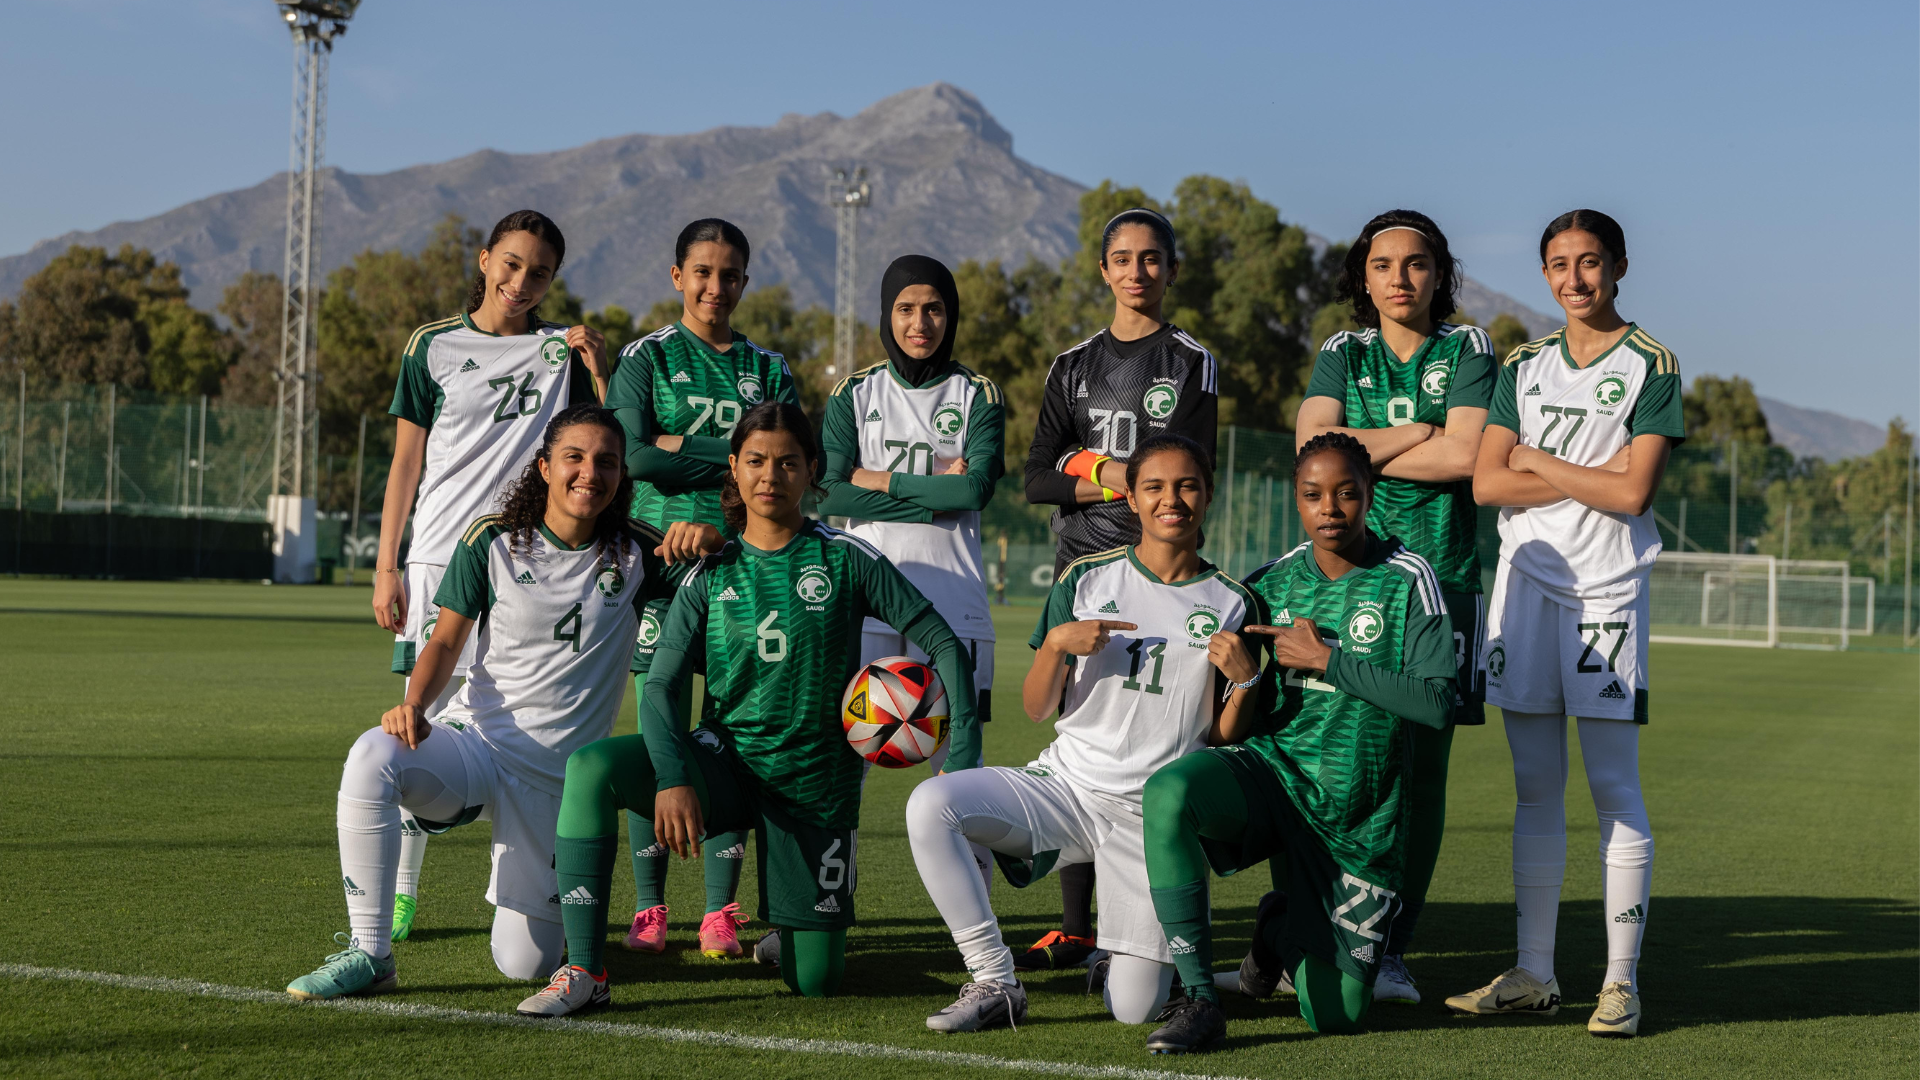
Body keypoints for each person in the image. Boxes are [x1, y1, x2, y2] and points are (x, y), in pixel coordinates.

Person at [519, 402, 981, 1017]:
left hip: (816, 782)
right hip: (725, 763)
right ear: (733, 469)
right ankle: (584, 970)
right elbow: (659, 687)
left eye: (789, 463)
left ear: (813, 471)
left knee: (816, 981)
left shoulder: (847, 558)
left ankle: (788, 936)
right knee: (592, 769)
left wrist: (964, 759)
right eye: (757, 461)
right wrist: (674, 777)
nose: (771, 476)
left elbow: (943, 642)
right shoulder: (709, 572)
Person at [286, 405, 668, 1001]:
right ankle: (370, 954)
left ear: (622, 477)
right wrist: (413, 703)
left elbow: (730, 570)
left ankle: (449, 821)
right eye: (573, 457)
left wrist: (708, 539)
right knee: (373, 755)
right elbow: (443, 640)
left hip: (559, 785)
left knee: (523, 962)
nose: (589, 472)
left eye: (606, 462)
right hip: (479, 743)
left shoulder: (641, 553)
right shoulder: (492, 540)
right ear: (544, 467)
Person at [908, 434, 1262, 1033]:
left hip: (1151, 819)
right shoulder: (1086, 578)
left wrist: (1246, 681)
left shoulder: (1233, 600)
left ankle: (1116, 958)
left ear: (1208, 495)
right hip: (1066, 787)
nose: (1170, 499)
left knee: (1133, 1009)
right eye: (1153, 486)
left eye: (1186, 486)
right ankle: (995, 979)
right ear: (1130, 496)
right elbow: (1037, 707)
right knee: (931, 804)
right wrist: (1052, 646)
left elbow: (1223, 736)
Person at [1139, 432, 1457, 1053]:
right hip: (1276, 780)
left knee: (1338, 1015)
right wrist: (1243, 677)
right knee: (1171, 791)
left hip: (1359, 822)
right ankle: (1200, 998)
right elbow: (1227, 690)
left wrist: (1328, 660)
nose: (1330, 509)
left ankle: (1277, 933)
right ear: (1297, 501)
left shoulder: (1409, 578)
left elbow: (1438, 705)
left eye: (1345, 494)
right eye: (1314, 495)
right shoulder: (1268, 585)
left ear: (1370, 496)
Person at [1448, 210, 1681, 1039]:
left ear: (1619, 266)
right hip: (1524, 590)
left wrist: (1537, 462)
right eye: (1557, 264)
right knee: (1534, 792)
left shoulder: (1651, 364)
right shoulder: (1524, 365)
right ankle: (1535, 973)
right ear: (1545, 273)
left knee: (1615, 790)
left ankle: (1620, 984)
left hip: (1607, 594)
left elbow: (1632, 495)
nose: (1573, 279)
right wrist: (1583, 469)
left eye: (1588, 263)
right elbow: (1484, 484)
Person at [367, 210, 608, 943]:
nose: (521, 281)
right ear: (483, 259)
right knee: (418, 728)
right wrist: (387, 565)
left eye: (539, 272)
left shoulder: (559, 351)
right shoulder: (433, 347)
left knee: (508, 721)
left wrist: (600, 366)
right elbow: (406, 462)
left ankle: (514, 880)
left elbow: (598, 440)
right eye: (510, 263)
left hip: (519, 568)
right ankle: (401, 893)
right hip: (440, 560)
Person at [1289, 209, 1494, 1003]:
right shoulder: (1343, 352)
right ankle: (1309, 931)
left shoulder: (1467, 348)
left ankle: (1393, 950)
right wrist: (1418, 431)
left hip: (1440, 587)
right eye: (1383, 266)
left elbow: (1470, 455)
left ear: (1439, 274)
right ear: (1362, 278)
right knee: (1331, 762)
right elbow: (1316, 455)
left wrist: (1362, 449)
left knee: (1419, 775)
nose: (1400, 279)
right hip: (1347, 580)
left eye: (1416, 265)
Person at [1020, 208, 1219, 972]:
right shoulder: (1072, 364)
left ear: (1170, 270)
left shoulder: (1190, 360)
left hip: (1163, 576)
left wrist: (1114, 478)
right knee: (1083, 742)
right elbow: (1037, 474)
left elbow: (1188, 472)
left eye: (1152, 260)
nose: (1137, 272)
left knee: (1155, 749)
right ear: (1103, 269)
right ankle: (1075, 925)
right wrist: (1097, 471)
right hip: (1084, 577)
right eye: (1123, 260)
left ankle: (1140, 927)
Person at [605, 218, 800, 960]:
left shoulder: (768, 367)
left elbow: (784, 462)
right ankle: (651, 909)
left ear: (745, 283)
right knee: (664, 740)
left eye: (730, 276)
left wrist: (683, 447)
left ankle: (721, 910)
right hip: (655, 570)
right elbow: (638, 462)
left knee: (731, 739)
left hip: (740, 571)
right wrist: (734, 459)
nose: (716, 288)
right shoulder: (647, 358)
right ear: (677, 275)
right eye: (703, 273)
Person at [819, 253, 1004, 766]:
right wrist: (931, 498)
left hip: (954, 598)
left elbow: (973, 493)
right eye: (905, 308)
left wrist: (877, 480)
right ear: (886, 313)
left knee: (959, 760)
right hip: (867, 602)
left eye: (934, 309)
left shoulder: (978, 394)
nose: (920, 323)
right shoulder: (854, 393)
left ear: (952, 316)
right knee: (847, 754)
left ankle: (967, 851)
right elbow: (828, 494)